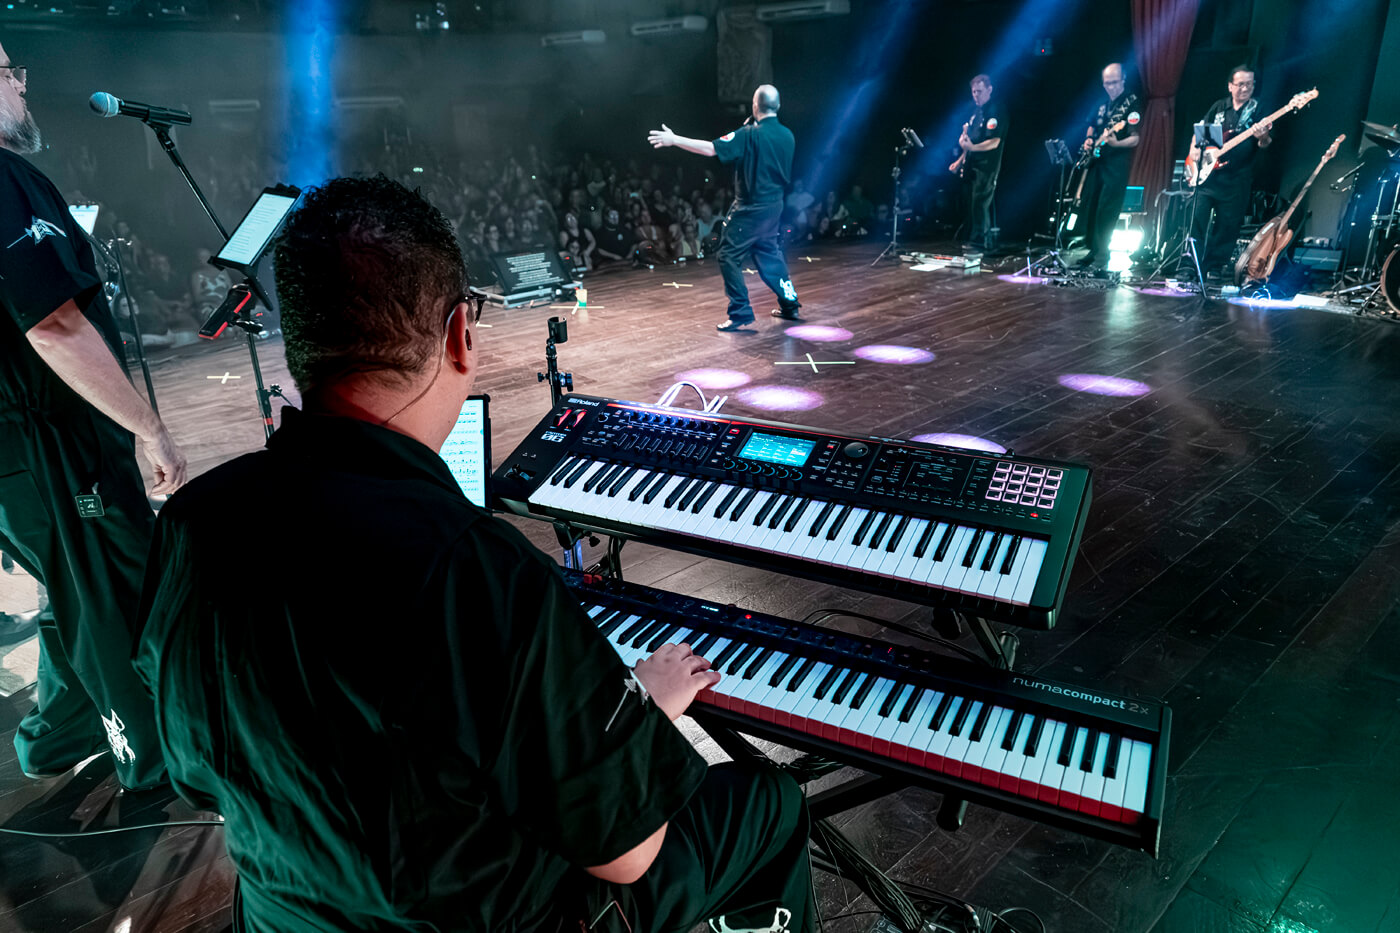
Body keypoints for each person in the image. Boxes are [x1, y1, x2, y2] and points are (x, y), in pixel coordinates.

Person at [134, 175, 813, 933]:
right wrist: (640, 712)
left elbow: (197, 773)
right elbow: (626, 852)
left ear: (299, 346)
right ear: (461, 333)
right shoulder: (476, 568)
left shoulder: (192, 521)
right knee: (767, 800)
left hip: (281, 917)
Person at [0, 41, 186, 790]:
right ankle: (152, 757)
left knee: (75, 581)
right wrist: (149, 427)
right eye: (9, 71)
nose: (22, 84)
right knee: (111, 588)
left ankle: (54, 736)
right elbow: (53, 326)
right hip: (48, 442)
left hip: (22, 451)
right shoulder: (4, 179)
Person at [648, 84, 803, 332]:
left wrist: (674, 140)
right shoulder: (788, 135)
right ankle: (790, 304)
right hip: (774, 206)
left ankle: (740, 312)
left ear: (755, 106)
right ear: (778, 105)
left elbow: (711, 149)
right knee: (768, 253)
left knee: (727, 255)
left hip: (750, 208)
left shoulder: (749, 134)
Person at [1180, 64, 1273, 280]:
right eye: (1240, 84)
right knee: (1197, 218)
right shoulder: (1219, 107)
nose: (1245, 88)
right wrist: (1194, 149)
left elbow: (1266, 143)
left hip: (1237, 177)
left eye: (1249, 84)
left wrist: (1262, 137)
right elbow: (1200, 134)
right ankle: (1188, 265)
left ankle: (1214, 267)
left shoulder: (1258, 109)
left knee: (1227, 226)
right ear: (1230, 86)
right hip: (1209, 177)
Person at [1074, 63, 1141, 269]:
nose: (1110, 87)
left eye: (1114, 82)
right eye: (1106, 83)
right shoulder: (1102, 103)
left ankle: (1103, 255)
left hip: (1117, 164)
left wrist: (1116, 143)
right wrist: (1089, 140)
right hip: (1098, 161)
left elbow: (1135, 138)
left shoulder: (1132, 104)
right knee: (1092, 205)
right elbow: (1091, 124)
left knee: (1107, 208)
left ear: (1123, 80)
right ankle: (1092, 251)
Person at [948, 74, 1004, 251]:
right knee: (971, 203)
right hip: (971, 165)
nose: (976, 95)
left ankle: (980, 243)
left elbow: (994, 142)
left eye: (979, 91)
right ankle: (976, 239)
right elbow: (969, 142)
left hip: (987, 166)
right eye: (974, 92)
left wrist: (972, 148)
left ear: (989, 90)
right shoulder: (975, 113)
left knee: (980, 203)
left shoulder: (996, 111)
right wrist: (959, 161)